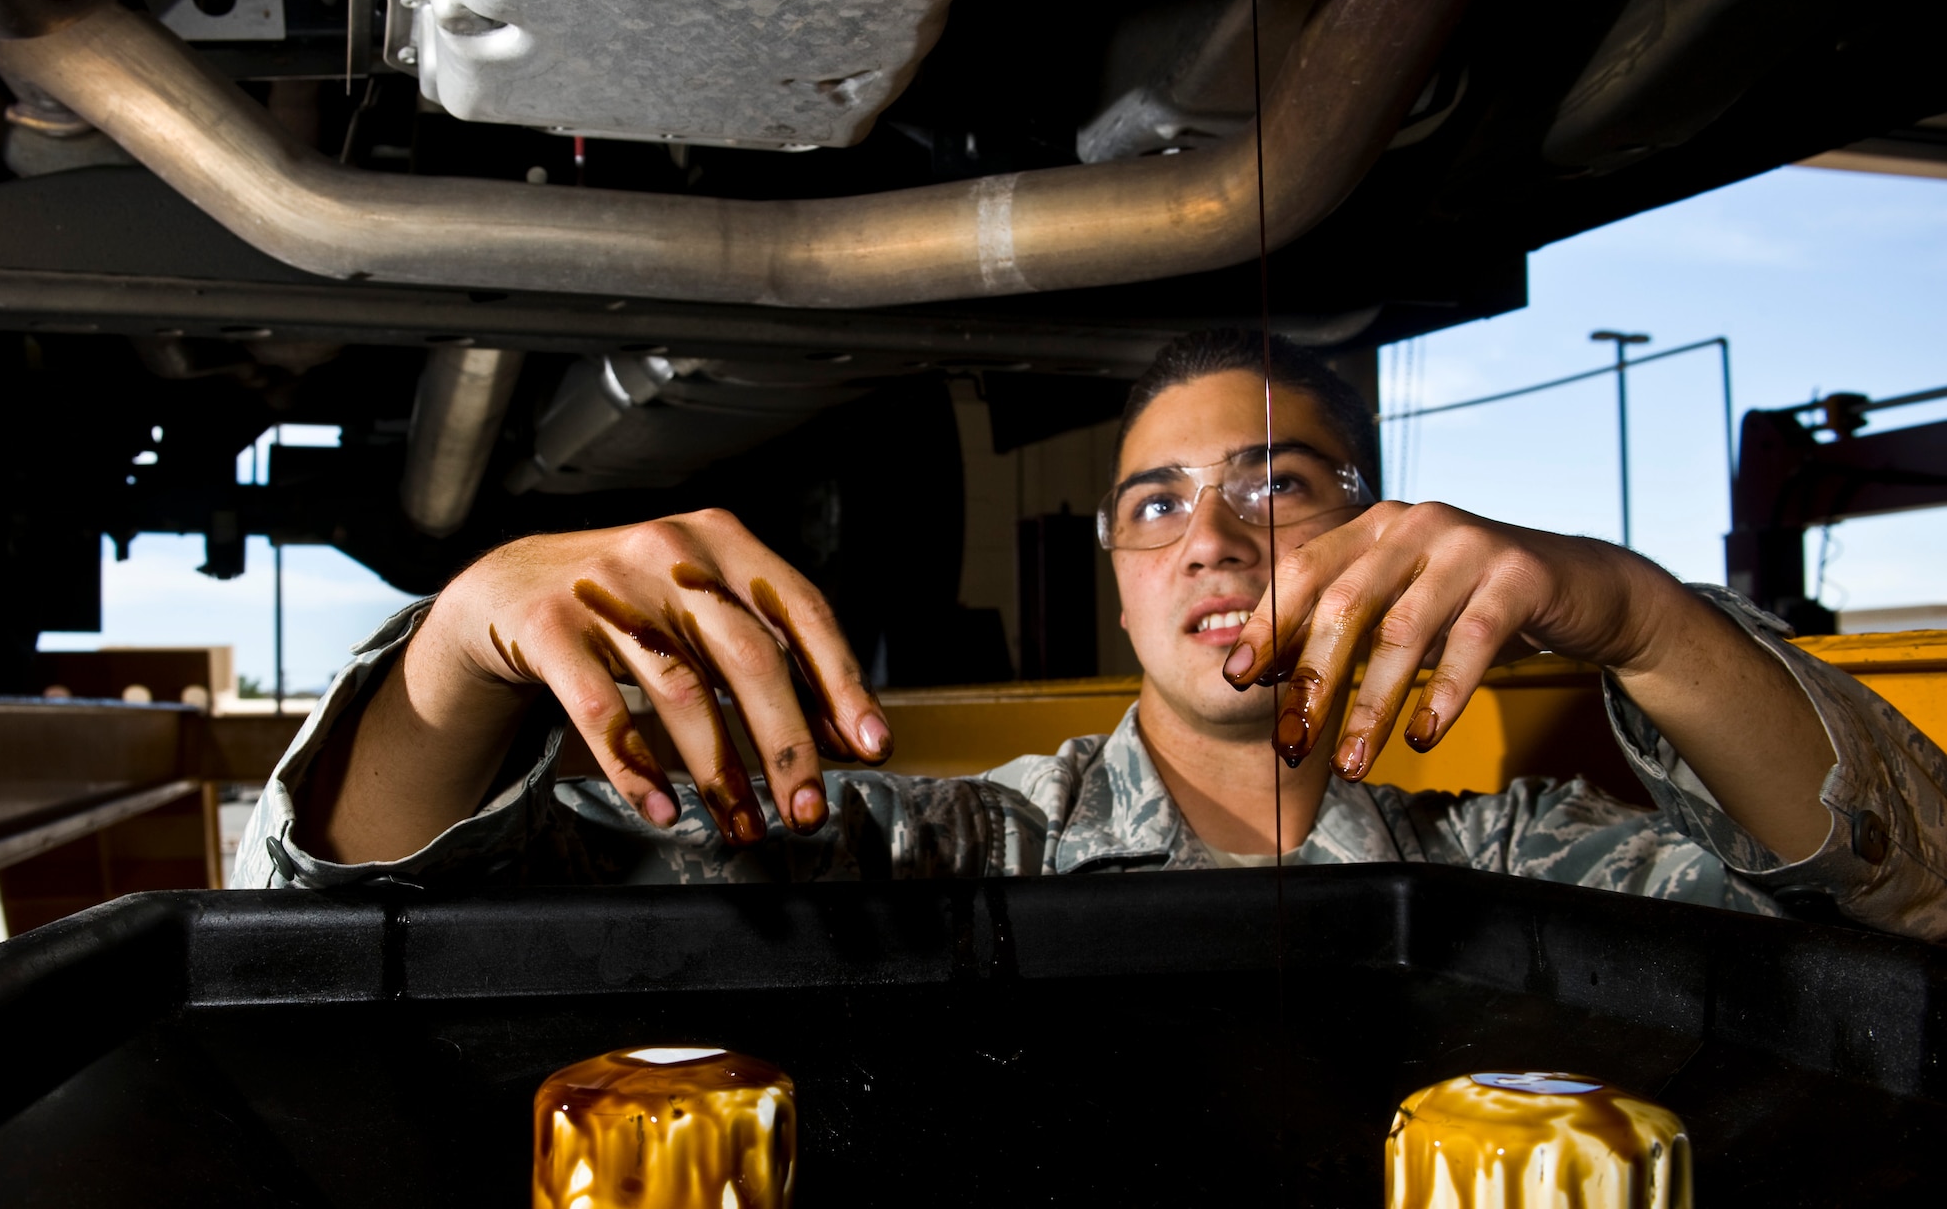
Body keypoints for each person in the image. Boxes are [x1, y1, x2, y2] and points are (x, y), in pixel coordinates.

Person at [235, 330, 1947, 941]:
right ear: (1120, 582)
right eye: (1154, 505)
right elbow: (372, 900)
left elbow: (1912, 905)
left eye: (1277, 484)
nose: (1209, 533)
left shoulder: (1522, 869)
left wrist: (1640, 615)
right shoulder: (953, 852)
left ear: (1380, 525)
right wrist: (463, 643)